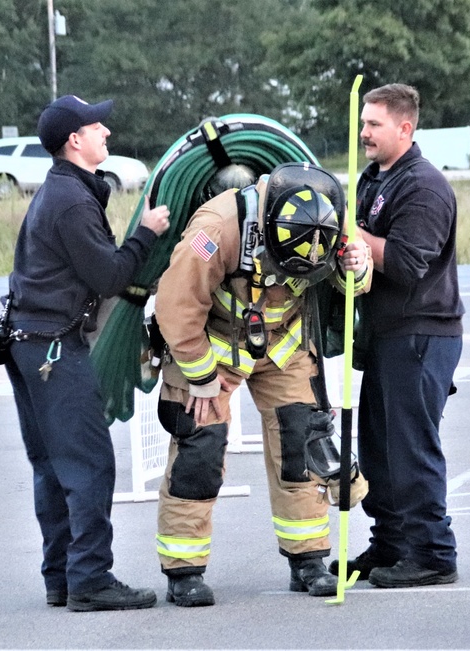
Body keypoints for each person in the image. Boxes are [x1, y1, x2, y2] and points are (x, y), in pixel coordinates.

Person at [152, 162, 371, 606]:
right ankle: (184, 571)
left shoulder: (328, 215)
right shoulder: (214, 230)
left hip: (285, 342)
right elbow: (176, 306)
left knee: (301, 441)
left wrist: (357, 265)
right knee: (201, 446)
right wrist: (201, 378)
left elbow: (355, 284)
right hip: (212, 343)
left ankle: (308, 560)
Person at [5, 95, 171, 611]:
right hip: (54, 347)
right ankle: (90, 580)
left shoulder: (63, 191)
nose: (107, 134)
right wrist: (147, 234)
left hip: (28, 342)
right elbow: (109, 276)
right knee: (89, 464)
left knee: (53, 467)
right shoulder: (73, 201)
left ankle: (62, 577)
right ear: (74, 140)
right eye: (98, 126)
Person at [328, 83, 464, 589]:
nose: (363, 132)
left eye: (374, 124)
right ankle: (391, 542)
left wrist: (345, 230)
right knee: (379, 448)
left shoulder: (424, 186)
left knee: (411, 447)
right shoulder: (373, 178)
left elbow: (407, 264)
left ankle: (432, 552)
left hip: (423, 332)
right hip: (386, 335)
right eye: (363, 123)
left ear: (405, 128)